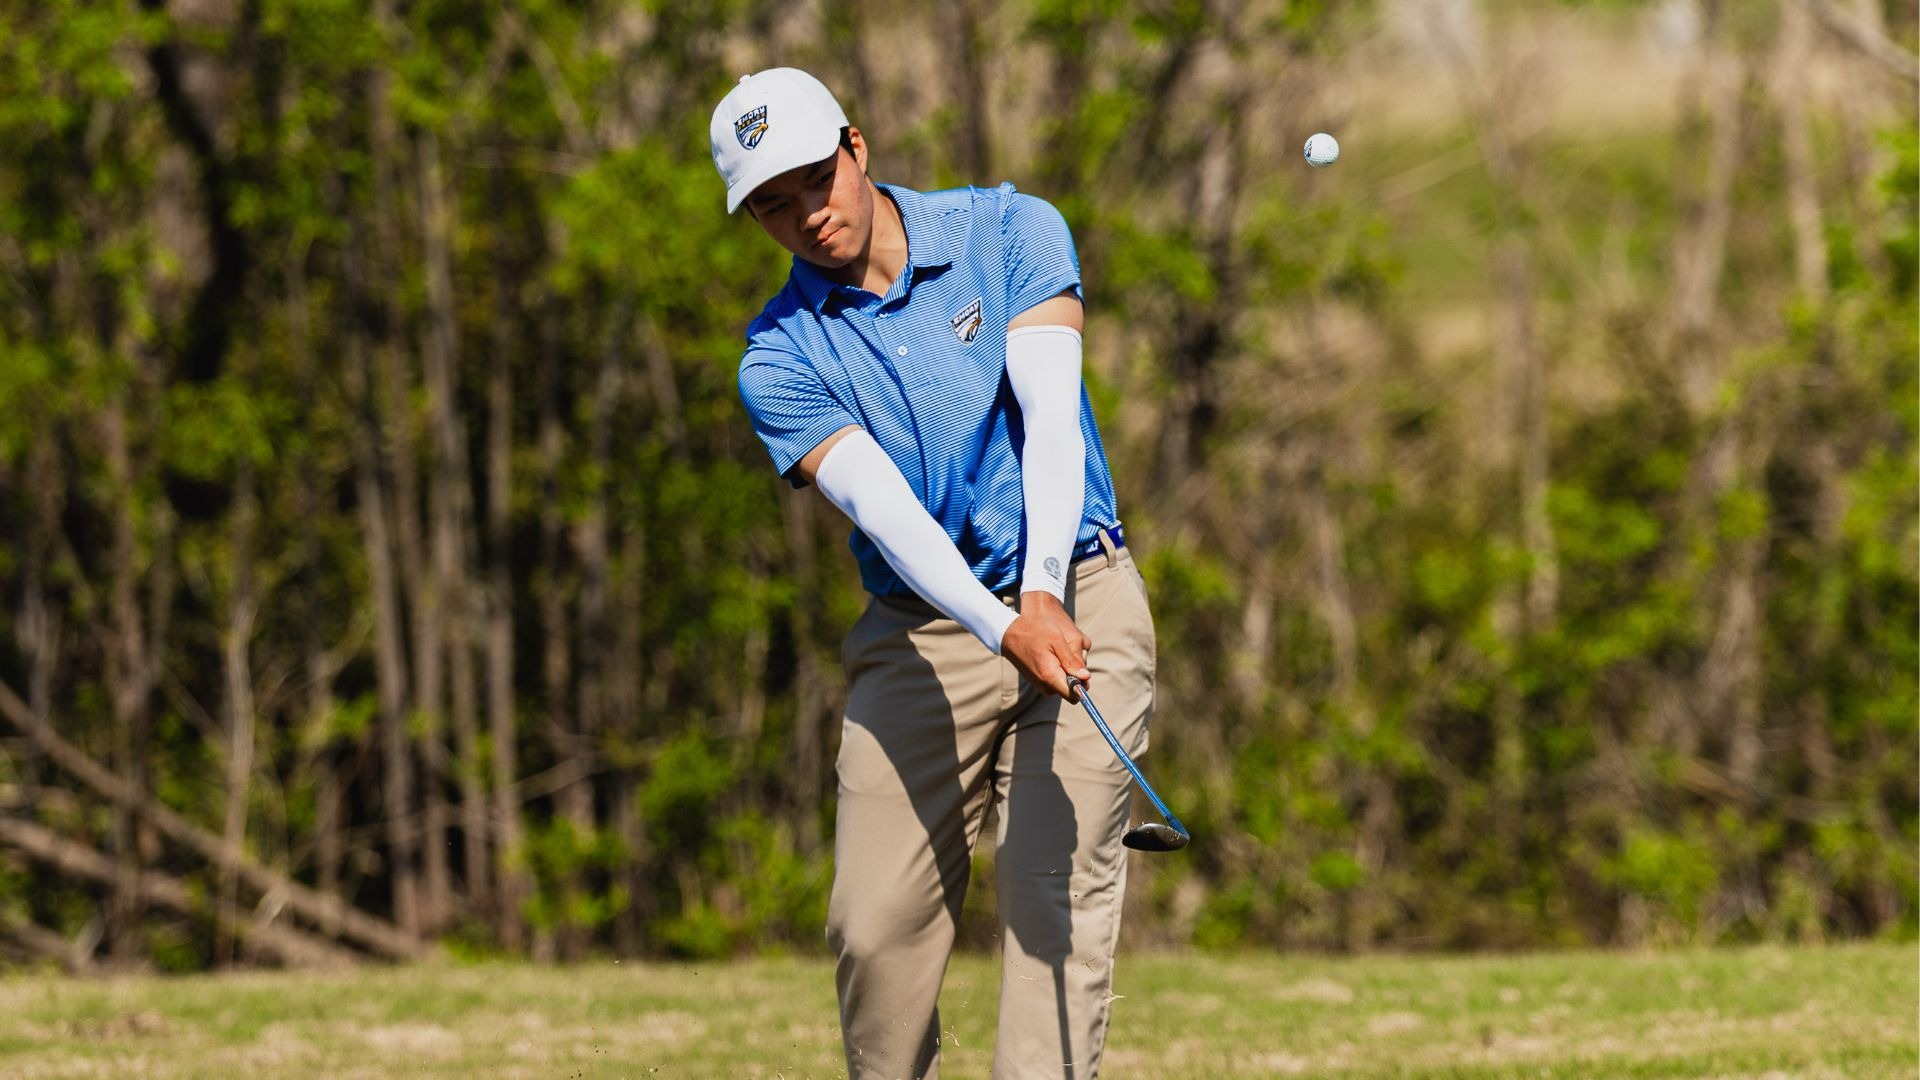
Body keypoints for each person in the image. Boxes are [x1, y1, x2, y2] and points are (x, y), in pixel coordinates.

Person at [710, 67, 1157, 1079]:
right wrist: (1004, 628)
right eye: (772, 206)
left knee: (1052, 905)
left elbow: (1050, 423)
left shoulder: (1010, 232)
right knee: (874, 929)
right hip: (923, 631)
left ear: (857, 148)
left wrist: (1040, 597)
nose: (806, 216)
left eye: (815, 179)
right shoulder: (776, 361)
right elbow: (888, 515)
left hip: (1078, 590)